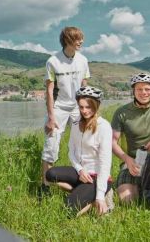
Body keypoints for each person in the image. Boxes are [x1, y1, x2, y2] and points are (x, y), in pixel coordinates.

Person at [45, 86, 112, 216]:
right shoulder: (76, 124)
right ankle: (82, 192)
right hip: (80, 172)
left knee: (68, 211)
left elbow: (105, 163)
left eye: (88, 107)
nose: (84, 111)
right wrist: (80, 169)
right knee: (50, 174)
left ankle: (100, 195)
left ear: (96, 106)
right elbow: (71, 151)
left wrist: (99, 196)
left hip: (97, 177)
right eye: (81, 107)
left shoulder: (104, 127)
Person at [40, 27, 90, 193]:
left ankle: (85, 181)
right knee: (51, 145)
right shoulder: (52, 61)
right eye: (77, 39)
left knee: (83, 142)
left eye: (81, 38)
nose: (81, 41)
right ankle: (45, 187)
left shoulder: (83, 60)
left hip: (77, 107)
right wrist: (51, 117)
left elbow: (84, 86)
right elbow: (49, 91)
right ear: (68, 40)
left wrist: (87, 109)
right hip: (59, 108)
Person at [111, 73, 150, 204]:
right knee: (127, 200)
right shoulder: (122, 112)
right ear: (133, 91)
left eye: (147, 89)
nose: (143, 92)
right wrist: (127, 160)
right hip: (132, 161)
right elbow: (112, 142)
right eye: (139, 89)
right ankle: (143, 185)